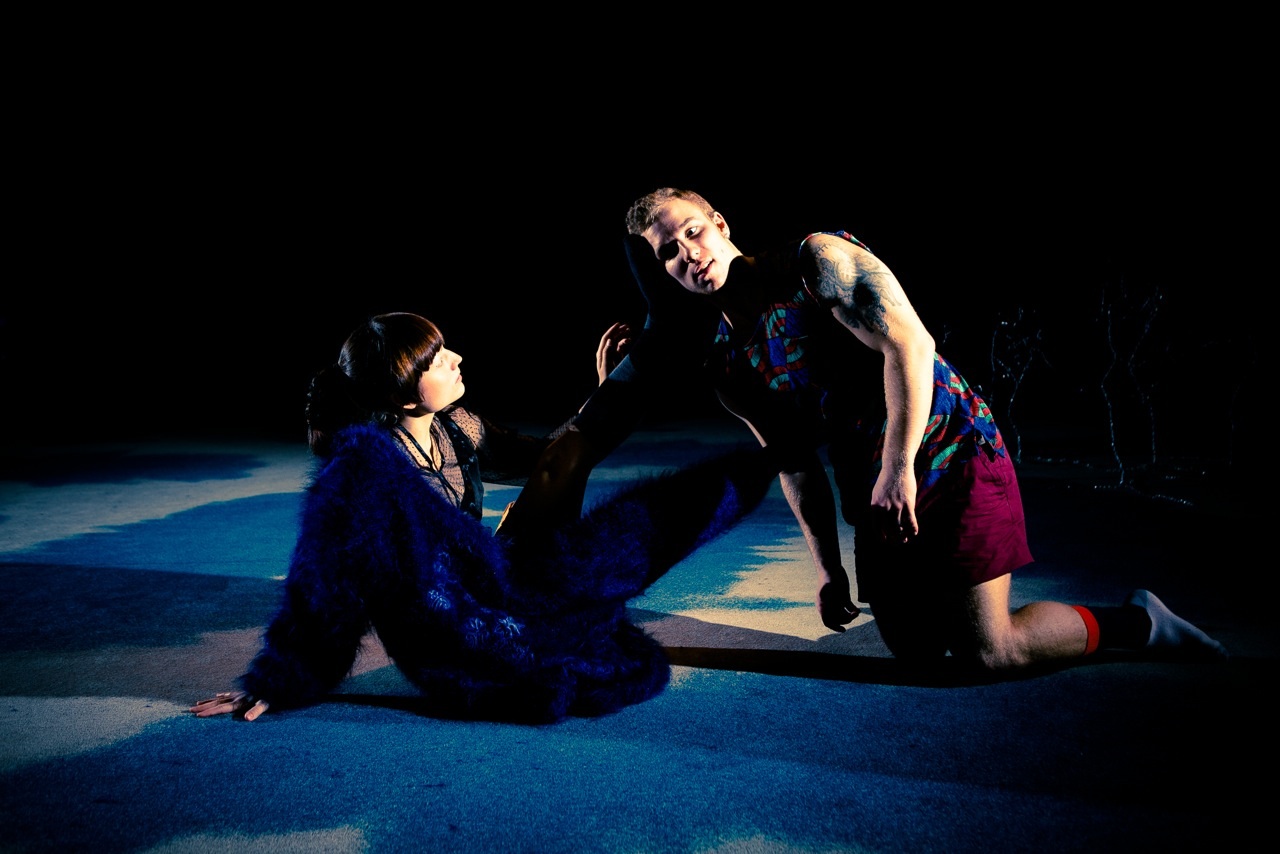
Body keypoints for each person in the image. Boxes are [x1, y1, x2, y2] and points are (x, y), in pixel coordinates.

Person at [510, 187, 1227, 674]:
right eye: (669, 252)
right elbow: (794, 463)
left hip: (946, 449)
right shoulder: (726, 361)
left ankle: (1138, 622)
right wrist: (828, 570)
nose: (688, 253)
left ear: (720, 225)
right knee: (914, 651)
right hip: (874, 476)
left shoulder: (816, 261)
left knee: (989, 652)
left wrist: (899, 465)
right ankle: (948, 589)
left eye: (693, 231)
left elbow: (909, 345)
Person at [190, 311, 774, 724]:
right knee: (561, 641)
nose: (457, 359)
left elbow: (552, 462)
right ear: (404, 393)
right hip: (445, 628)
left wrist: (604, 391)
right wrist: (279, 679)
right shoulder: (361, 472)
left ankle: (752, 465)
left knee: (617, 523)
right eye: (437, 359)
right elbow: (323, 585)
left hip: (487, 578)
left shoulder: (457, 427)